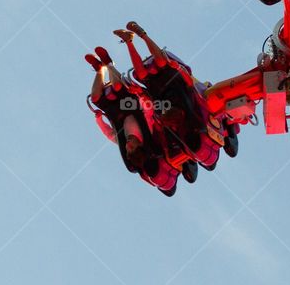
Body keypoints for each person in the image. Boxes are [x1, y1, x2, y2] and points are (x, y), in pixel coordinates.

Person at [85, 47, 179, 195]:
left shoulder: (122, 141)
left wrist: (99, 119)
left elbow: (109, 134)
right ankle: (109, 64)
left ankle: (99, 70)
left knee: (96, 98)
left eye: (127, 150)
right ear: (140, 145)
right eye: (132, 147)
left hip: (117, 109)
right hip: (132, 102)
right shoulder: (146, 131)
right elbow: (148, 112)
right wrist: (140, 95)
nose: (128, 145)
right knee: (116, 87)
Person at [112, 21, 206, 154]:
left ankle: (128, 40)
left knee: (141, 73)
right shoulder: (187, 105)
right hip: (173, 77)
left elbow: (150, 98)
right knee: (161, 62)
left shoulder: (162, 109)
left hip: (158, 85)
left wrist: (139, 92)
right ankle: (142, 34)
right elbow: (189, 84)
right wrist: (178, 68)